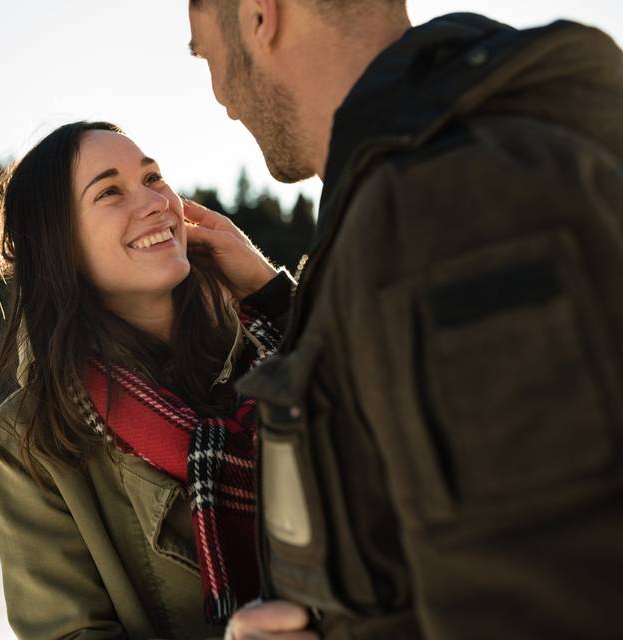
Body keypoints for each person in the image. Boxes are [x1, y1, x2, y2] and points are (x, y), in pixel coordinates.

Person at [187, 1, 623, 638]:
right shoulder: (430, 182)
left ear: (260, 17)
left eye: (207, 57)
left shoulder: (446, 204)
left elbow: (551, 603)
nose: (221, 95)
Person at [0, 120, 295, 639]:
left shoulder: (268, 343)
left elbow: (392, 426)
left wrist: (273, 296)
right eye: (109, 192)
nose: (154, 202)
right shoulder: (31, 436)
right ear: (61, 246)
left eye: (153, 178)